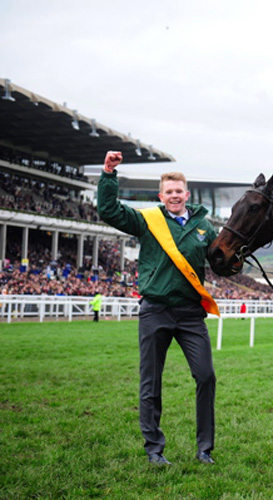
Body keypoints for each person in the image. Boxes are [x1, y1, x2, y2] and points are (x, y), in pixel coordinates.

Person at [97, 151, 218, 467]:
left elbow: (223, 259)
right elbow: (109, 210)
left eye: (179, 191)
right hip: (155, 311)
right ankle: (154, 449)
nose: (175, 196)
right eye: (169, 192)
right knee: (151, 381)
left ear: (186, 195)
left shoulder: (205, 226)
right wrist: (109, 174)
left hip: (191, 314)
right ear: (161, 196)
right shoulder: (148, 219)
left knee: (206, 376)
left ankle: (204, 448)